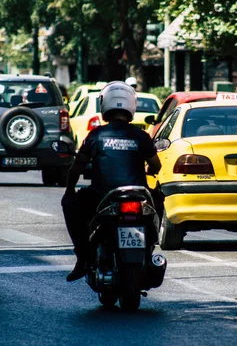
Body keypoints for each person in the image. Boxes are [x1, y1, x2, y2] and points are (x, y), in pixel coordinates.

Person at [62, 81, 162, 282]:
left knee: (69, 203)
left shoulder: (97, 135)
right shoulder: (141, 136)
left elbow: (77, 167)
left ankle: (82, 257)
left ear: (104, 104)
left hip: (103, 197)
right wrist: (148, 169)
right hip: (138, 195)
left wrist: (70, 189)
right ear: (131, 106)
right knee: (159, 197)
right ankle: (151, 248)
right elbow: (156, 166)